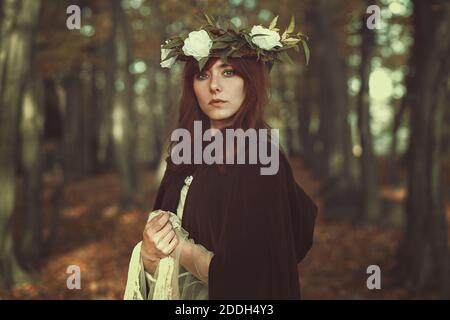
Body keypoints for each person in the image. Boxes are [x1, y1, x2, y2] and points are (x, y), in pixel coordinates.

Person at [124, 15, 317, 300]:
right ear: (192, 86)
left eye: (228, 72)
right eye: (203, 75)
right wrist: (149, 255)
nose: (214, 85)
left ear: (249, 82)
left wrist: (183, 250)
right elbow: (159, 252)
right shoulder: (182, 155)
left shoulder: (261, 158)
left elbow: (259, 276)